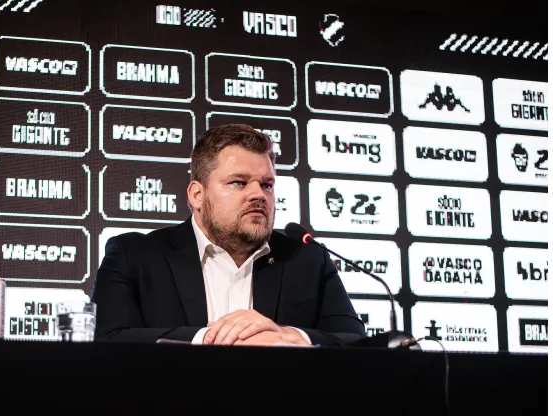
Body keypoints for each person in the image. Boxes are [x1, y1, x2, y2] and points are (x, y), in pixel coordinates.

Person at [92, 124, 366, 347]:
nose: (259, 194)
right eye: (239, 182)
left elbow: (356, 342)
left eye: (267, 185)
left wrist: (286, 336)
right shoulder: (134, 255)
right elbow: (107, 339)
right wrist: (210, 338)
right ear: (197, 195)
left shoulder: (308, 259)